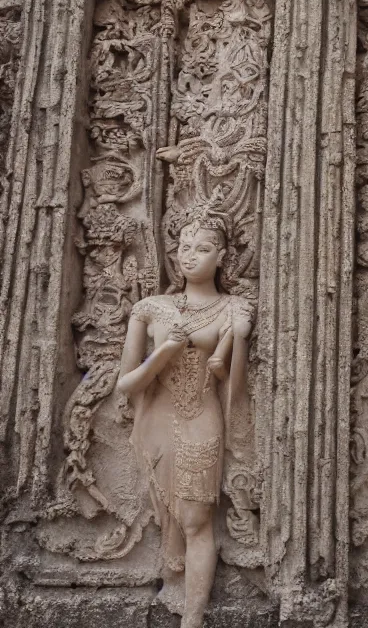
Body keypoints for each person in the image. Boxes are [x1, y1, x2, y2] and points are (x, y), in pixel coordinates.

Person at [116, 209, 253, 628]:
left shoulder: (234, 308)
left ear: (223, 256)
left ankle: (192, 619)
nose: (190, 256)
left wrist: (240, 337)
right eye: (184, 247)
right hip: (158, 419)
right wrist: (164, 353)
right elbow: (126, 384)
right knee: (169, 516)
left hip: (203, 417)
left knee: (196, 518)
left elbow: (235, 381)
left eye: (203, 248)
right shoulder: (150, 308)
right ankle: (172, 587)